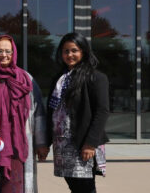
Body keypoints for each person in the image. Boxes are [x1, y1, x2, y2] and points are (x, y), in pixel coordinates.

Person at [36, 32, 109, 193]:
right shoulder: (59, 78)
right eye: (66, 51)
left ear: (83, 51)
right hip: (62, 144)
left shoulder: (96, 77)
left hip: (82, 143)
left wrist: (91, 143)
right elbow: (52, 112)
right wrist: (45, 143)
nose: (70, 54)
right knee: (74, 186)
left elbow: (102, 111)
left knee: (85, 188)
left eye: (74, 50)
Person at [0, 35, 46, 193]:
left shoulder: (26, 79)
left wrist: (41, 143)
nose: (3, 55)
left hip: (18, 145)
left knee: (15, 188)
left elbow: (38, 112)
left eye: (8, 51)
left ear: (14, 53)